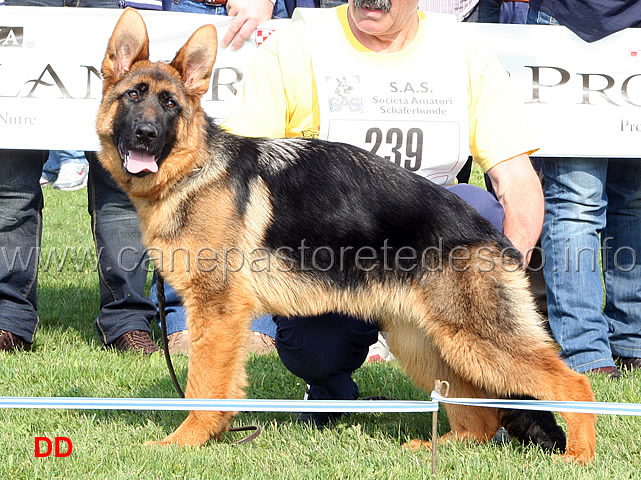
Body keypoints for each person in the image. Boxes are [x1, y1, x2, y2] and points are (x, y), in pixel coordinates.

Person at [219, 0, 543, 427]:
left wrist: (505, 278)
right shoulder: (299, 43)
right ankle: (330, 393)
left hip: (427, 244)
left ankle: (484, 403)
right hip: (330, 247)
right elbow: (235, 172)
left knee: (478, 209)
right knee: (313, 351)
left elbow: (516, 179)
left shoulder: (462, 50)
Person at [0, 0, 161, 354]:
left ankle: (129, 321)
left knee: (122, 191)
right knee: (10, 189)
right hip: (23, 9)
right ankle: (6, 319)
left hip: (111, 7)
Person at [528, 0, 641, 379]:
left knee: (627, 201)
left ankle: (629, 340)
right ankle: (586, 350)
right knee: (579, 200)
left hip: (597, 26)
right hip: (571, 28)